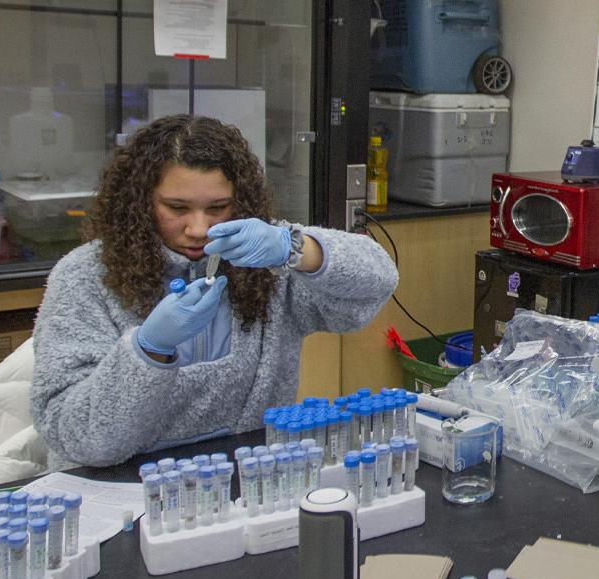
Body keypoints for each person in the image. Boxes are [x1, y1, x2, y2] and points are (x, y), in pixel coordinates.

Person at [31, 115, 397, 468]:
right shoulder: (85, 276)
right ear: (140, 201)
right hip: (121, 488)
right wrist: (147, 350)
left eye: (218, 208)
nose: (198, 228)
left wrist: (296, 249)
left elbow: (377, 282)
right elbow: (74, 435)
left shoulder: (263, 255)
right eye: (176, 208)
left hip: (245, 479)